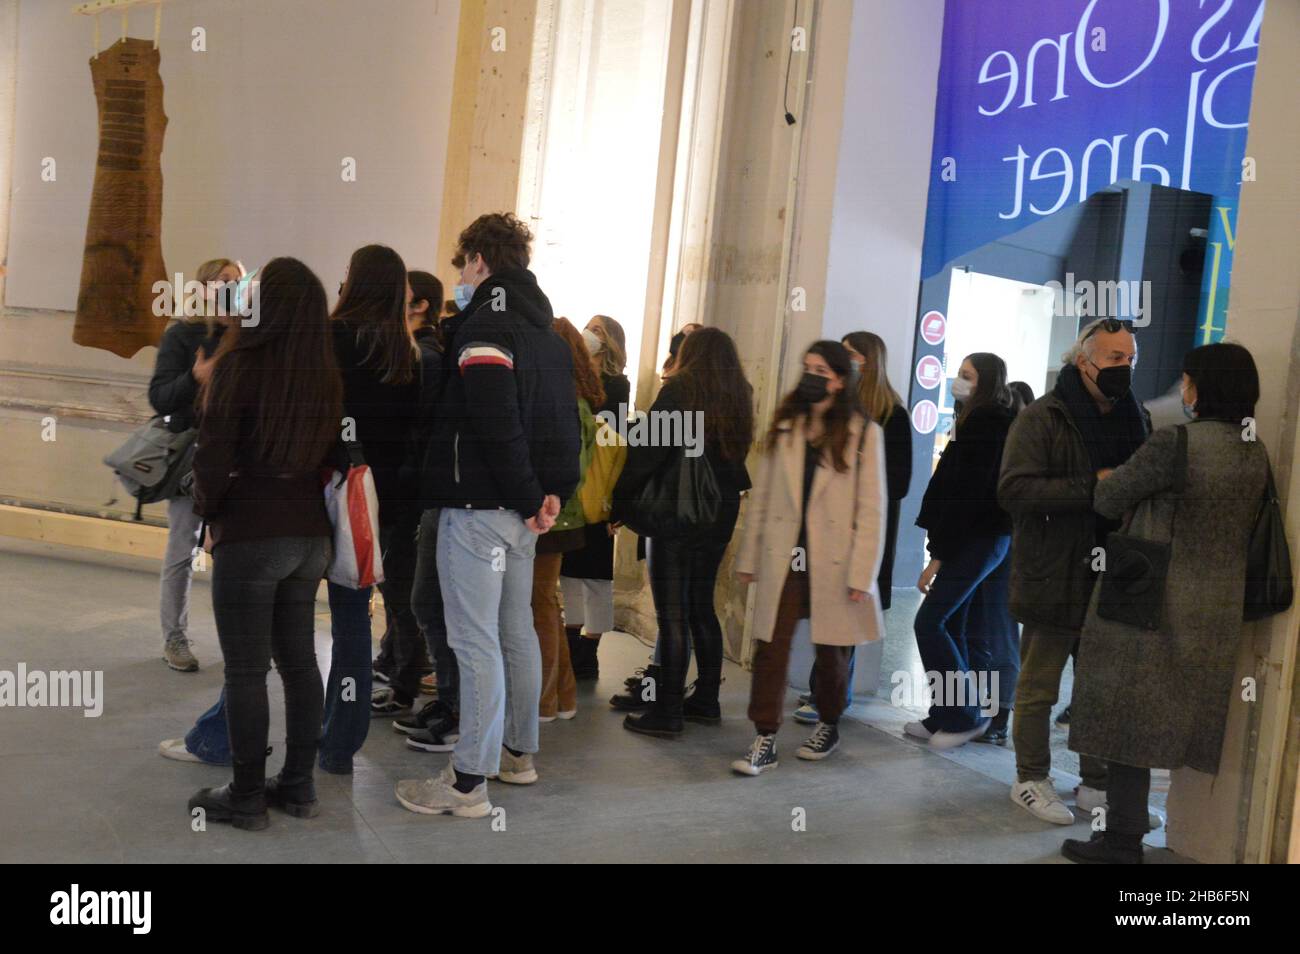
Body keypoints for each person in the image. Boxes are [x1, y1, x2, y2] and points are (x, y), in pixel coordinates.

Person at [396, 212, 579, 817]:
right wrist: (552, 494)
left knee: (475, 642)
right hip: (523, 514)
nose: (460, 280)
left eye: (463, 266)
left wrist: (533, 496)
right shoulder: (548, 335)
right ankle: (516, 756)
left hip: (481, 511)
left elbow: (494, 423)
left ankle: (467, 782)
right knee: (513, 632)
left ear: (478, 260)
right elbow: (561, 427)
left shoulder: (486, 331)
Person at [1063, 343, 1268, 863]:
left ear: (1203, 386)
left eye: (1188, 379)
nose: (1183, 388)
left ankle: (1121, 839)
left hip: (1149, 602)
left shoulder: (1176, 442)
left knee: (1126, 716)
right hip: (1215, 607)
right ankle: (1138, 831)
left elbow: (1108, 499)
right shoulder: (1253, 450)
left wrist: (1109, 480)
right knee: (1174, 718)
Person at [185, 257, 343, 829]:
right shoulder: (325, 375)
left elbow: (211, 457)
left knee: (246, 672)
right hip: (309, 538)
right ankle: (298, 786)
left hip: (252, 533)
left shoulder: (239, 366)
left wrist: (207, 511)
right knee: (300, 664)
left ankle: (247, 795)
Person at [998, 318, 1150, 824]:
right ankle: (1030, 778)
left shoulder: (1135, 416)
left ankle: (1096, 785)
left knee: (1099, 686)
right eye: (1113, 358)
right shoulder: (1045, 417)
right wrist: (1095, 485)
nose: (1123, 367)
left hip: (1114, 571)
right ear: (1083, 361)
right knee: (1040, 685)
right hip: (1054, 569)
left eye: (1129, 358)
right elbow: (1014, 491)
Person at [731, 341, 886, 774]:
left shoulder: (864, 433)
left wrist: (862, 574)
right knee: (771, 647)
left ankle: (830, 721)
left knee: (832, 652)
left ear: (839, 380)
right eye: (807, 367)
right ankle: (765, 737)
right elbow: (761, 498)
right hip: (786, 558)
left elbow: (872, 509)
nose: (810, 375)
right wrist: (749, 557)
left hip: (834, 560)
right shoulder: (785, 427)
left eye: (821, 369)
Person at [610, 327, 754, 736]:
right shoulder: (738, 393)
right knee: (701, 607)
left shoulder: (680, 391)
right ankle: (706, 699)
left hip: (676, 514)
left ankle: (667, 710)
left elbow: (648, 453)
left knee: (671, 614)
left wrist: (620, 502)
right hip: (720, 513)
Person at [795, 330, 912, 724]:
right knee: (825, 615)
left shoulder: (891, 415)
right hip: (823, 533)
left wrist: (860, 469)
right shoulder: (833, 412)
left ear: (869, 362)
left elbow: (898, 482)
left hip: (862, 532)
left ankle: (830, 697)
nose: (845, 361)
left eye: (851, 355)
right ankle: (823, 692)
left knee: (846, 617)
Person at [908, 353, 1017, 749]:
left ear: (986, 382)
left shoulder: (989, 423)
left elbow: (968, 496)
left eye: (968, 376)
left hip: (980, 538)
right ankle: (945, 713)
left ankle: (966, 716)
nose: (959, 381)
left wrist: (937, 556)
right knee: (951, 624)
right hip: (974, 538)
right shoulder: (969, 417)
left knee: (930, 623)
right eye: (960, 373)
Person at [148, 256, 240, 673]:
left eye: (238, 282)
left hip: (238, 458)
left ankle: (240, 643)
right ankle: (175, 638)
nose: (231, 288)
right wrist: (195, 378)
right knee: (182, 548)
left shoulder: (248, 335)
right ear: (203, 287)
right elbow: (160, 397)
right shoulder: (183, 335)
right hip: (192, 457)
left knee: (237, 553)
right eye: (223, 281)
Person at [372, 269, 443, 695]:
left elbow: (416, 429)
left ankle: (406, 679)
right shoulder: (416, 351)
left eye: (404, 297)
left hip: (407, 490)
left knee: (400, 585)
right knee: (397, 582)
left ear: (421, 306)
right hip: (405, 485)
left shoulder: (425, 357)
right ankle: (394, 661)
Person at [531, 318, 603, 721]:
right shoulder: (576, 399)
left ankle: (545, 702)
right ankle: (563, 697)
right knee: (546, 605)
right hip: (560, 518)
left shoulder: (568, 404)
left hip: (552, 518)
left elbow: (565, 470)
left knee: (539, 605)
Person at [563, 314, 630, 681]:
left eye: (599, 330)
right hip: (573, 484)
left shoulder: (617, 383)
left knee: (596, 575)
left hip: (599, 485)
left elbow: (611, 435)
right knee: (569, 570)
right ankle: (571, 639)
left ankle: (590, 647)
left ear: (610, 342)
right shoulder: (572, 374)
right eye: (588, 327)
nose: (590, 333)